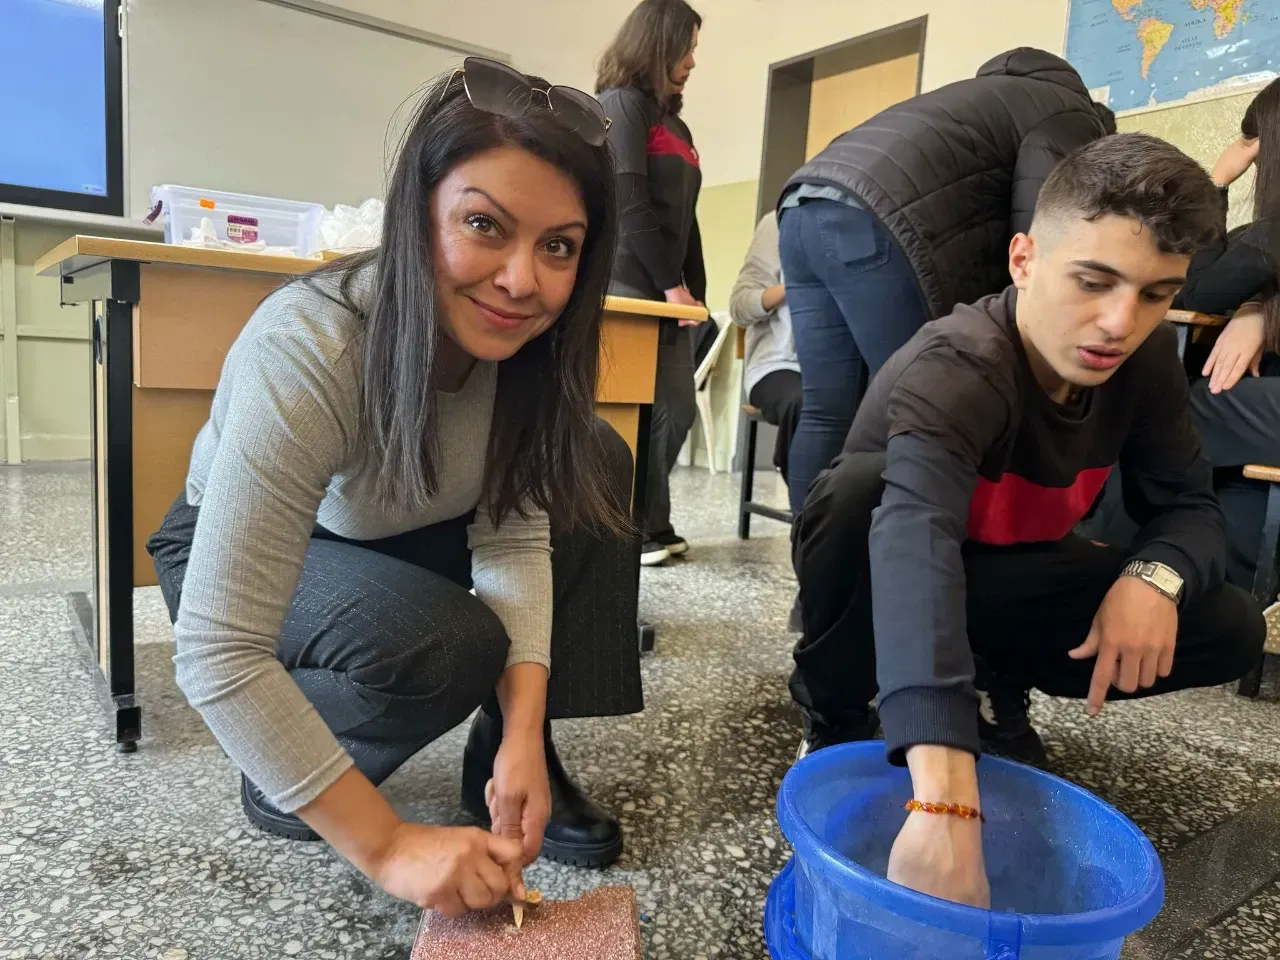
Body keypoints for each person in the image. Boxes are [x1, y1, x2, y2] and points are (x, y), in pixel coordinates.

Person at [146, 59, 644, 916]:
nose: (522, 281)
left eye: (557, 245)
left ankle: (504, 750)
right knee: (446, 642)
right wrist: (387, 843)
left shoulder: (529, 354)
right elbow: (218, 646)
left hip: (404, 528)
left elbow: (515, 537)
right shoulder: (313, 344)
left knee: (593, 456)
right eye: (484, 224)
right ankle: (297, 759)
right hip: (270, 545)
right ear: (415, 213)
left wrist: (521, 733)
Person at [789, 133, 1264, 907]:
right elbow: (913, 541)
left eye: (1155, 293)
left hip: (1005, 578)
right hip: (885, 582)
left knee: (1230, 622)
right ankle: (836, 714)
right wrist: (944, 792)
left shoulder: (1140, 364)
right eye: (1093, 280)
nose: (1119, 321)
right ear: (1023, 260)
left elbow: (1190, 508)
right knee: (863, 493)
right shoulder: (959, 361)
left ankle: (994, 687)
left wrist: (1155, 577)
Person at [777, 47, 1114, 519]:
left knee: (825, 409)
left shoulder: (978, 97)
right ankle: (898, 561)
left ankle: (815, 570)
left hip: (802, 204)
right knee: (922, 403)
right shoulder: (1073, 113)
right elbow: (1042, 227)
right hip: (876, 220)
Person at [596, 0, 706, 567]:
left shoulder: (677, 125)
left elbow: (689, 218)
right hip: (627, 282)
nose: (691, 60)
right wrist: (670, 287)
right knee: (644, 413)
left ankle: (646, 520)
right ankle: (630, 531)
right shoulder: (620, 106)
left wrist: (694, 292)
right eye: (683, 46)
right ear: (655, 45)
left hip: (667, 291)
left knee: (677, 411)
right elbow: (628, 199)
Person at [1173, 78, 1280, 591]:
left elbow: (1194, 295)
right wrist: (1258, 306)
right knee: (1240, 470)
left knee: (1185, 408)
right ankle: (1233, 590)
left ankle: (1116, 563)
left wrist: (1216, 181)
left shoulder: (1270, 236)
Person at [730, 210, 801, 481]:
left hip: (834, 368)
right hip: (777, 364)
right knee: (806, 403)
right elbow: (739, 306)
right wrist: (792, 288)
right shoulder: (778, 223)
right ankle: (808, 510)